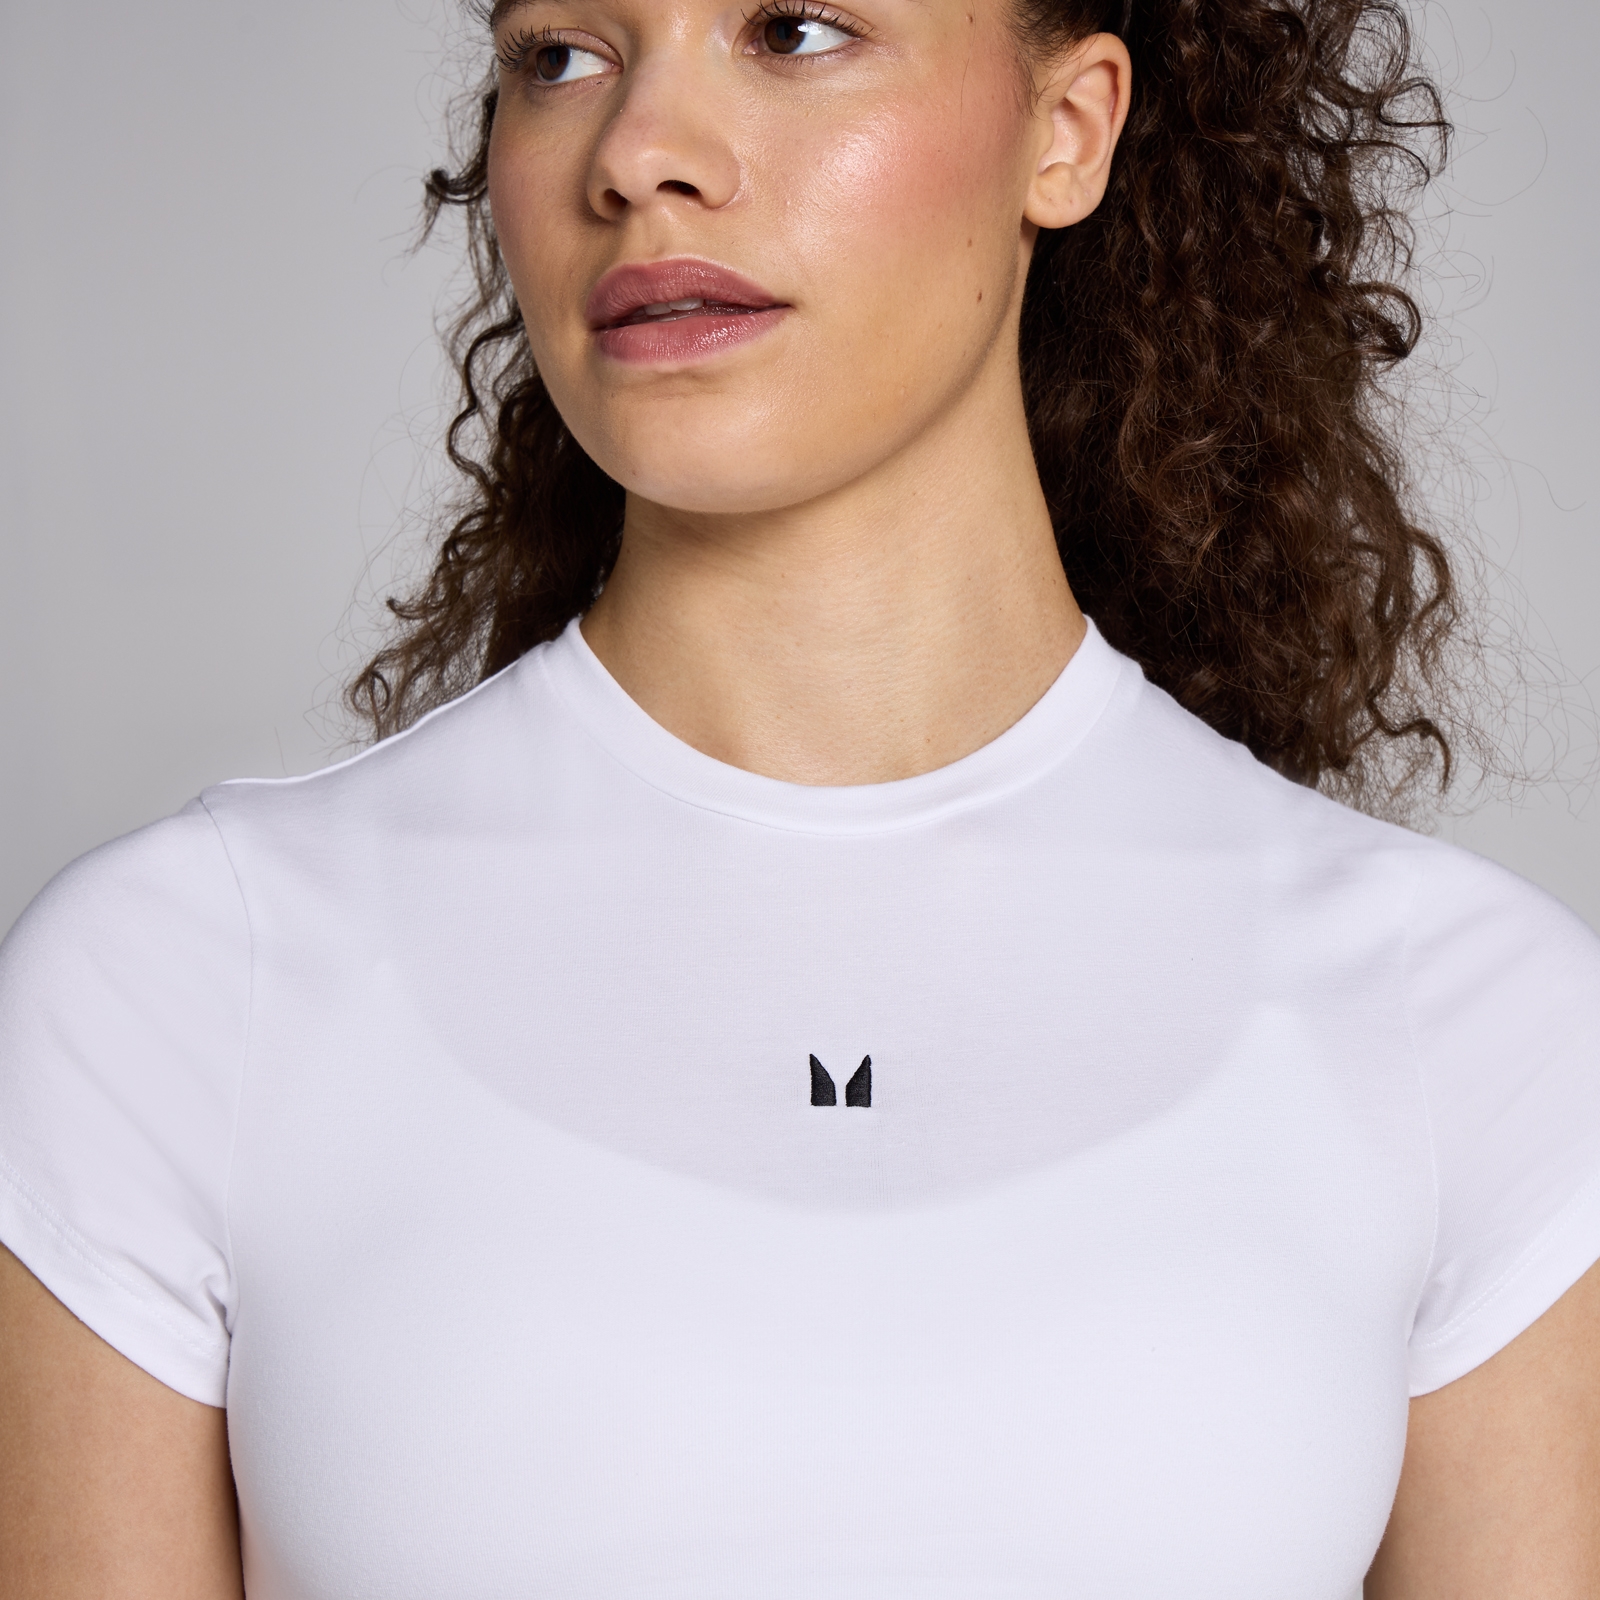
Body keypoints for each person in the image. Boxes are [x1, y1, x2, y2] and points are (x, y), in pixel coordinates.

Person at [2, 0, 1598, 1594]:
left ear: (1067, 130)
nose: (637, 155)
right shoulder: (177, 988)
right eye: (560, 57)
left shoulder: (1468, 1027)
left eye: (794, 31)